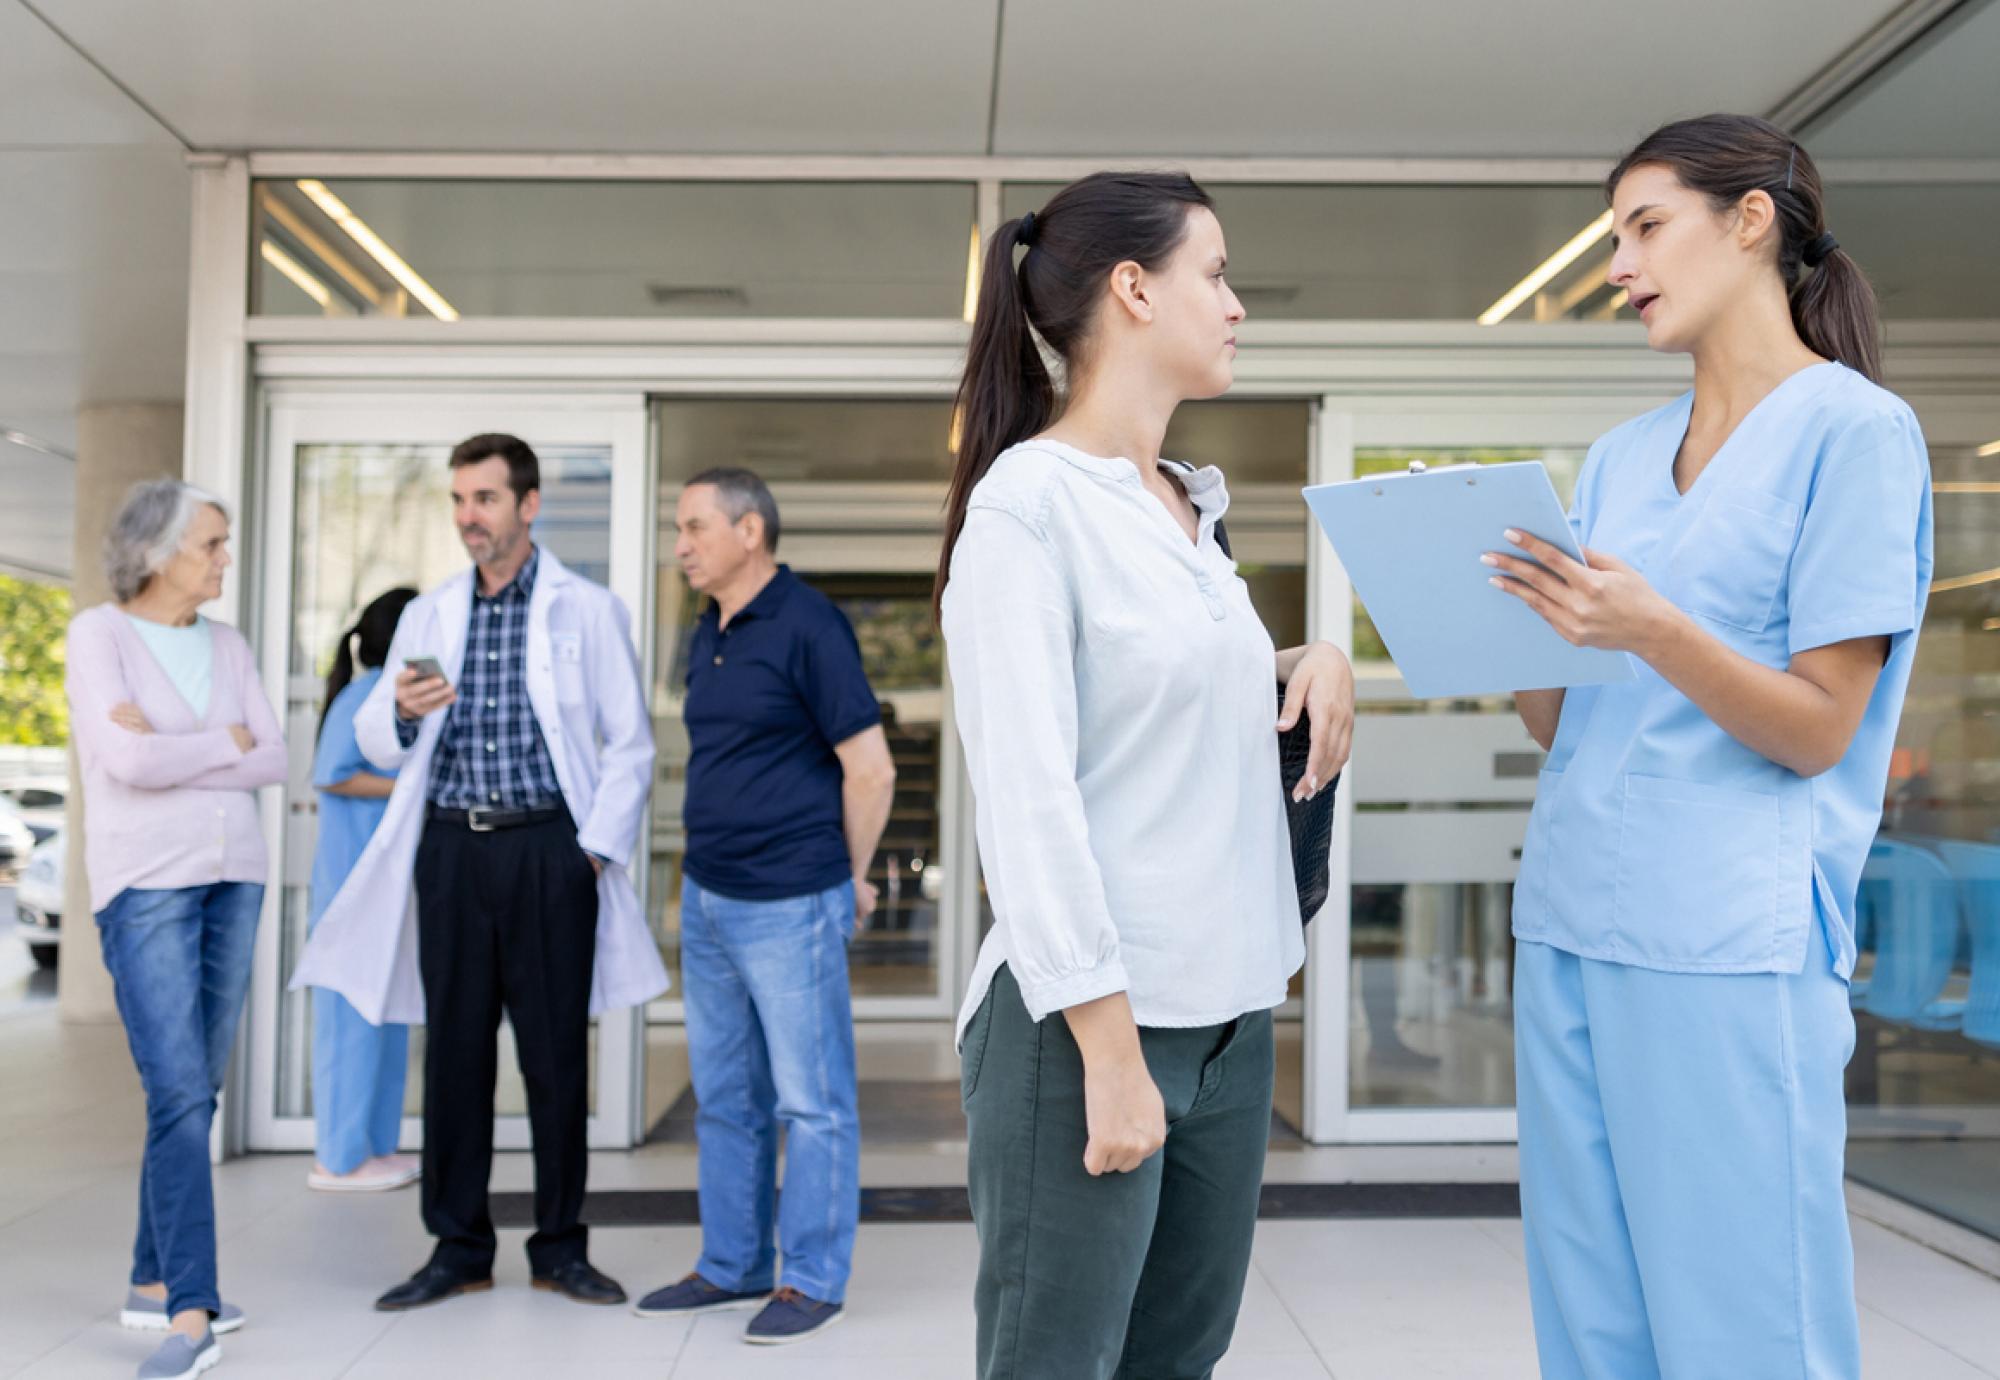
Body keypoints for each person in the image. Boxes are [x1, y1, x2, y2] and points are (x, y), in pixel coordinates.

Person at [1491, 115, 1933, 1379]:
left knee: (1745, 1317)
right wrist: (1510, 618)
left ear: (1748, 223)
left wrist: (1651, 628)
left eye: (1643, 228)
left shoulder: (1853, 435)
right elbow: (1560, 720)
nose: (1619, 266)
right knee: (1589, 1312)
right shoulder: (1622, 457)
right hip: (1571, 920)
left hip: (1726, 940)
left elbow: (1816, 728)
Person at [937, 172, 1356, 1379]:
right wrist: (1110, 1058)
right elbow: (1029, 802)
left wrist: (1309, 658)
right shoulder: (1026, 510)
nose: (1234, 306)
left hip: (1226, 1020)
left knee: (1175, 1362)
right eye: (1214, 274)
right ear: (1132, 288)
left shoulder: (1183, 510)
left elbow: (1161, 700)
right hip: (1088, 1028)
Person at [291, 433, 666, 1311]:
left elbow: (631, 745)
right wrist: (402, 711)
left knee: (553, 1059)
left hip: (549, 850)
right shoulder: (429, 614)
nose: (469, 518)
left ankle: (560, 1247)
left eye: (485, 500)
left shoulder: (588, 609)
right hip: (453, 850)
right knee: (455, 1055)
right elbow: (383, 740)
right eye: (459, 502)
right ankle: (457, 1246)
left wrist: (593, 853)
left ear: (527, 506)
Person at [633, 468, 896, 1346]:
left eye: (695, 526)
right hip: (708, 897)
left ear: (751, 531)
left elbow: (872, 768)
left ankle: (811, 1279)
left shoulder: (810, 625)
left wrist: (850, 877)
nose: (680, 544)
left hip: (793, 899)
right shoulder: (707, 629)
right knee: (724, 1097)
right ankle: (732, 1263)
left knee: (811, 1101)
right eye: (678, 528)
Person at [65, 479, 288, 1380]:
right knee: (180, 1093)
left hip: (235, 878)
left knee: (195, 1088)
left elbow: (272, 755)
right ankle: (192, 1313)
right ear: (157, 554)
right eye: (211, 545)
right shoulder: (99, 636)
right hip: (147, 885)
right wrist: (218, 745)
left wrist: (175, 751)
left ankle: (151, 1277)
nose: (224, 559)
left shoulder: (227, 643)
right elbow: (121, 759)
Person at [306, 586, 421, 1192]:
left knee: (385, 1016)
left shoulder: (388, 699)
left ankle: (373, 1147)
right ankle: (339, 1157)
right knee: (351, 1025)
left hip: (383, 890)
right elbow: (332, 775)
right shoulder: (363, 695)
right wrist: (411, 790)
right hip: (349, 892)